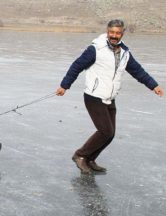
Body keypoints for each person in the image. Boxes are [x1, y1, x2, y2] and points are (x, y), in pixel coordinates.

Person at [56, 19, 164, 174]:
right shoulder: (96, 49)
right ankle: (80, 155)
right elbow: (77, 66)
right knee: (105, 131)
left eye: (118, 33)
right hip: (94, 96)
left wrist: (153, 85)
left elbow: (137, 71)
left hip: (110, 97)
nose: (114, 35)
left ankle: (90, 159)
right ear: (107, 32)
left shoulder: (125, 53)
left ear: (122, 33)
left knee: (110, 134)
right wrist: (65, 85)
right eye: (112, 32)